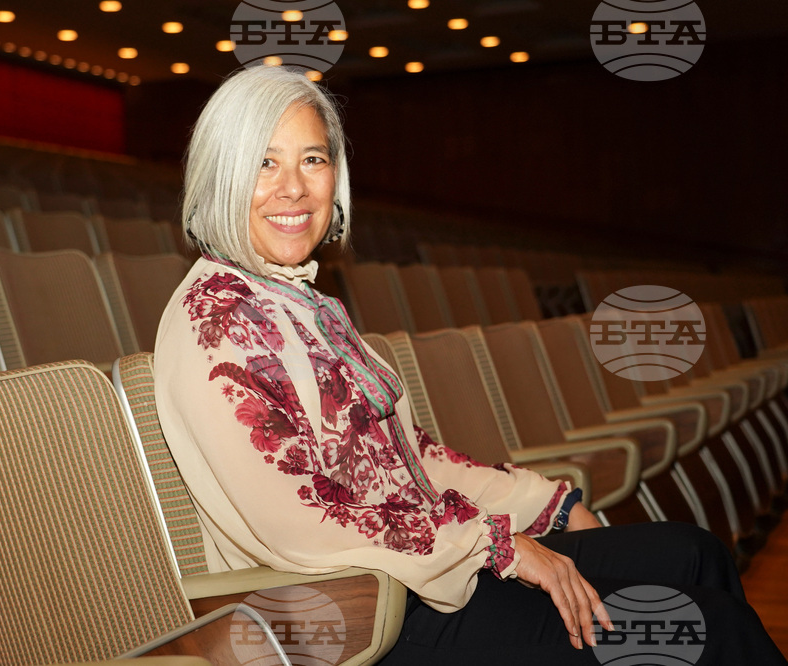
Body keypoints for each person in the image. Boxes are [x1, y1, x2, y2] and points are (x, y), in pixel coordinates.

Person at [154, 64, 786, 664]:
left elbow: (415, 461)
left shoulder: (304, 302)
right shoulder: (218, 318)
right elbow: (303, 518)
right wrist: (499, 546)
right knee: (704, 626)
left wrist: (547, 506)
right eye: (264, 161)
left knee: (692, 555)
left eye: (312, 159)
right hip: (362, 613)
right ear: (222, 175)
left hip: (422, 569)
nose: (293, 186)